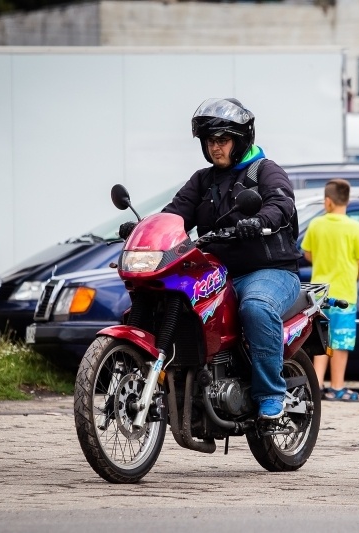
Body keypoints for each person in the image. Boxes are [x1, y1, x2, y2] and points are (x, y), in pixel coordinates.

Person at [122, 97, 302, 420]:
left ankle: (271, 394)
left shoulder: (265, 171)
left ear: (241, 139)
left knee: (256, 307)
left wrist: (260, 220)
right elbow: (174, 216)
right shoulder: (202, 181)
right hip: (219, 271)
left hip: (269, 271)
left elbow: (281, 204)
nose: (215, 147)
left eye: (222, 140)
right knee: (166, 300)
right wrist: (143, 228)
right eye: (210, 141)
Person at [301, 179, 359, 402]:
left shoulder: (316, 225)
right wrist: (355, 277)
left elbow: (307, 254)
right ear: (347, 200)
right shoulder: (355, 227)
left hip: (319, 296)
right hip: (345, 295)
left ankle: (317, 384)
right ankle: (338, 387)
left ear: (327, 201)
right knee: (340, 342)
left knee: (320, 342)